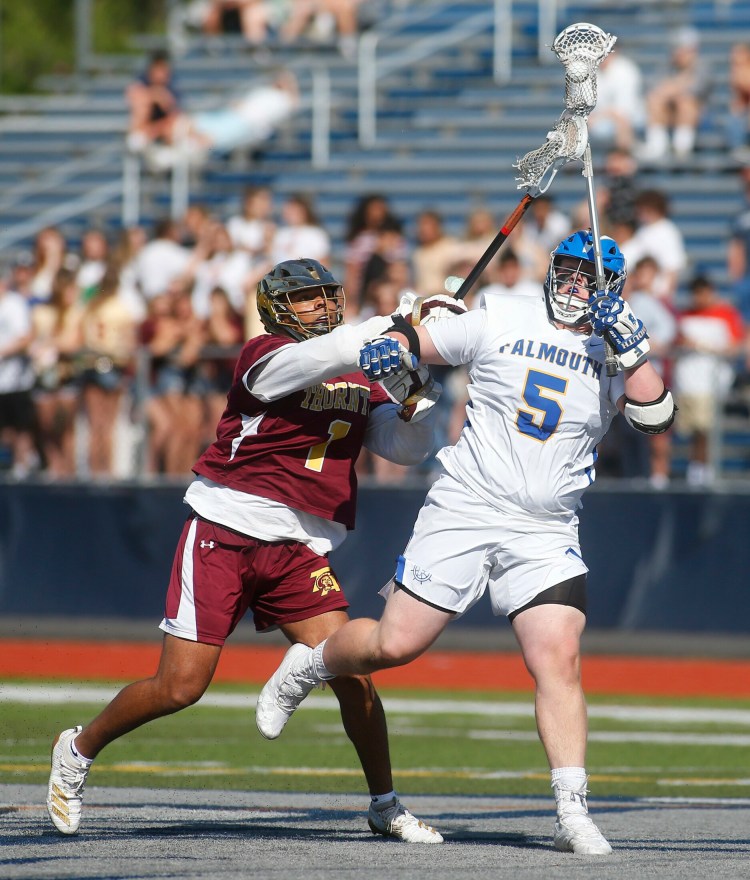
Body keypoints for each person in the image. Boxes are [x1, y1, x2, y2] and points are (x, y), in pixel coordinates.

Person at [256, 231, 677, 855]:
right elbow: (414, 341)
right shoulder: (504, 313)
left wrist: (634, 350)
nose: (573, 287)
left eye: (587, 278)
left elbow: (656, 417)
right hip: (469, 504)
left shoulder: (616, 342)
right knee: (393, 645)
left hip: (547, 524)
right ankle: (312, 665)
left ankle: (571, 809)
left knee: (558, 657)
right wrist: (394, 347)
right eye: (566, 273)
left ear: (611, 288)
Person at [46, 258, 447, 843]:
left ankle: (384, 803)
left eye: (327, 296)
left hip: (299, 544)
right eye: (308, 299)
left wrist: (416, 399)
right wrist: (394, 326)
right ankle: (77, 750)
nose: (323, 307)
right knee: (181, 685)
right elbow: (320, 357)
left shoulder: (355, 367)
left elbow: (404, 449)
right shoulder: (263, 355)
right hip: (227, 526)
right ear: (280, 307)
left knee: (353, 675)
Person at [672, 274, 745, 486]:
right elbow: (676, 342)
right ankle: (697, 467)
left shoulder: (726, 315)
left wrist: (708, 347)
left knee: (704, 428)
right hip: (688, 381)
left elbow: (734, 345)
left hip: (711, 382)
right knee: (692, 428)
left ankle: (703, 469)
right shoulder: (685, 316)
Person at [638, 26, 713, 162]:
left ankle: (681, 148)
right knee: (655, 100)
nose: (678, 53)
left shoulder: (703, 67)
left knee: (685, 101)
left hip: (696, 114)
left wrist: (673, 88)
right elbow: (654, 88)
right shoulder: (667, 66)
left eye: (683, 50)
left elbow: (697, 90)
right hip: (668, 110)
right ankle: (657, 146)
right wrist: (677, 86)